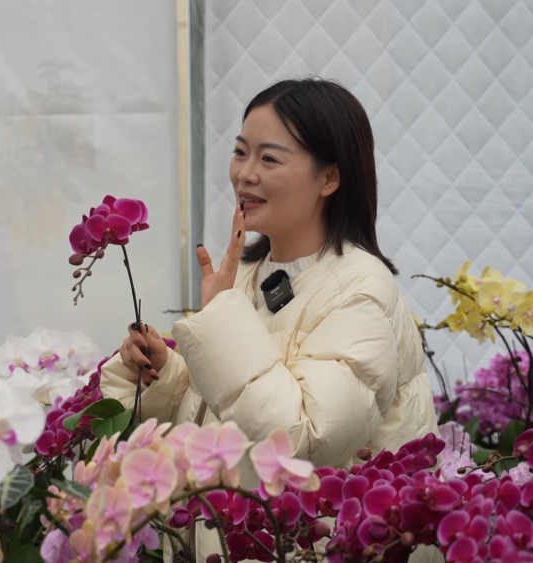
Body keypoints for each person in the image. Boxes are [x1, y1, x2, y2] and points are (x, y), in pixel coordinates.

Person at [100, 78, 440, 561]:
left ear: (329, 178)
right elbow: (227, 408)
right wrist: (161, 374)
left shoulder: (362, 291)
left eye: (270, 159)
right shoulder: (245, 273)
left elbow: (297, 438)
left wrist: (220, 318)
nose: (245, 174)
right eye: (241, 152)